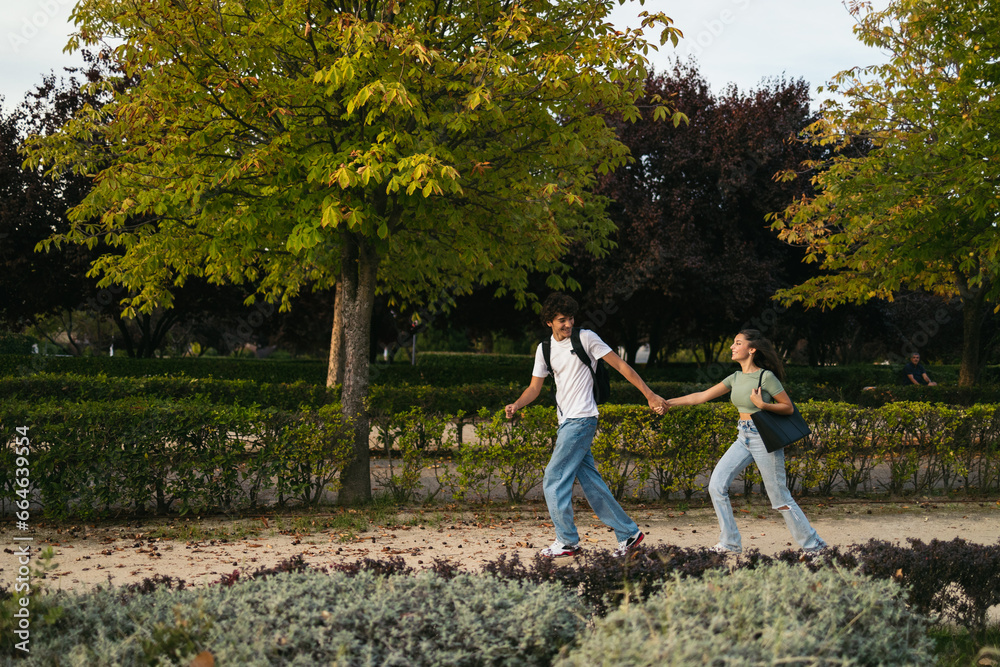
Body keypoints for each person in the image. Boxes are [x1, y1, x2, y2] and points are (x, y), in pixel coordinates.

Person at [505, 292, 669, 559]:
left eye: (570, 318)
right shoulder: (544, 349)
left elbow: (622, 367)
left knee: (554, 479)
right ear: (549, 322)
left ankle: (567, 541)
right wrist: (517, 404)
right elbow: (534, 388)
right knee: (591, 483)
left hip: (582, 419)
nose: (568, 324)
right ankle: (629, 534)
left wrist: (650, 395)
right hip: (565, 421)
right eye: (562, 320)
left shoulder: (586, 338)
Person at [661, 329, 826, 555]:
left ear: (751, 349)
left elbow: (788, 407)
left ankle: (815, 545)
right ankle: (729, 542)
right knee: (716, 486)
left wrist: (763, 404)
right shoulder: (735, 377)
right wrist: (667, 402)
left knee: (780, 498)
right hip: (743, 436)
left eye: (737, 343)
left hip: (763, 438)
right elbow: (699, 396)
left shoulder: (765, 377)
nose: (732, 346)